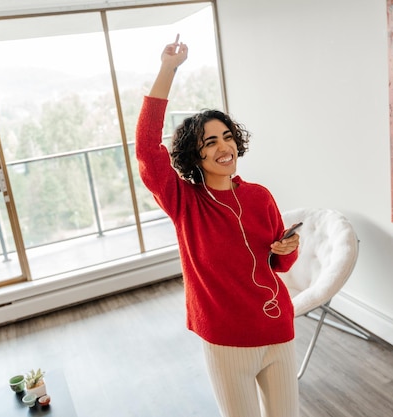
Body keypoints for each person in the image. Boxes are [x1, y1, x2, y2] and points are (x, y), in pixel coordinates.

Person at [135, 35, 301, 417]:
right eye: (209, 142)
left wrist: (288, 251)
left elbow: (277, 265)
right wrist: (168, 69)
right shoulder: (185, 202)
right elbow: (146, 149)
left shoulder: (259, 196)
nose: (223, 147)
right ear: (196, 155)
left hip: (277, 329)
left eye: (227, 137)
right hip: (226, 341)